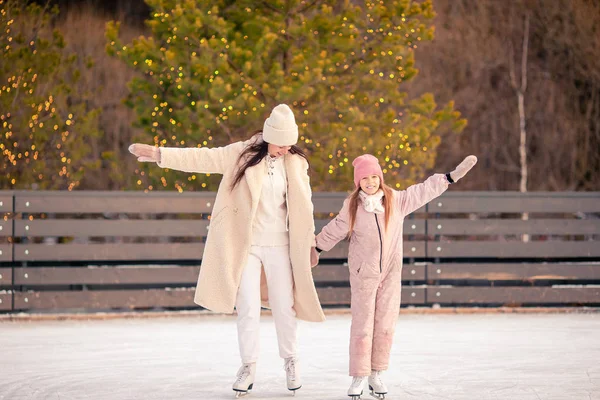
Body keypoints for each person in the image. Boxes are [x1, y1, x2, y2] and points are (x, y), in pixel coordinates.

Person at [129, 104, 325, 398]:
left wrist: (309, 243)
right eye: (282, 144)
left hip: (281, 247)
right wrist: (161, 155)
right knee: (247, 308)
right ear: (269, 136)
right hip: (246, 247)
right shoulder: (242, 154)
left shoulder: (296, 163)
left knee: (285, 308)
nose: (286, 149)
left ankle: (291, 361)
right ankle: (249, 366)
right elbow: (203, 157)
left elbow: (305, 207)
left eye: (289, 144)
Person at [311, 153, 477, 399]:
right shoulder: (352, 206)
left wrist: (449, 178)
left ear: (380, 177)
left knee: (385, 324)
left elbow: (422, 191)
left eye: (374, 176)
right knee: (363, 326)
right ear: (358, 182)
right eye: (364, 178)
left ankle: (376, 374)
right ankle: (359, 375)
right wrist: (315, 248)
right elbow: (335, 229)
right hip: (363, 274)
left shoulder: (396, 201)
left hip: (390, 273)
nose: (370, 182)